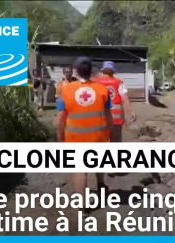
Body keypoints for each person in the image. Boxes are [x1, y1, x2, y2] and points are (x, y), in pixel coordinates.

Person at [56, 56, 113, 200]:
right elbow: (108, 117)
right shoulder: (102, 90)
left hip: (75, 138)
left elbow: (61, 118)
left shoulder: (66, 90)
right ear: (92, 71)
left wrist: (60, 136)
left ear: (76, 71)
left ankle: (82, 203)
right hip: (98, 136)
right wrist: (110, 134)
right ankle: (100, 183)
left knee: (80, 170)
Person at [93, 61, 136, 142]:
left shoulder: (95, 82)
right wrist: (130, 111)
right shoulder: (118, 82)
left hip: (100, 117)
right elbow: (124, 97)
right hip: (116, 117)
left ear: (103, 70)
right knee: (116, 139)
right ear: (113, 71)